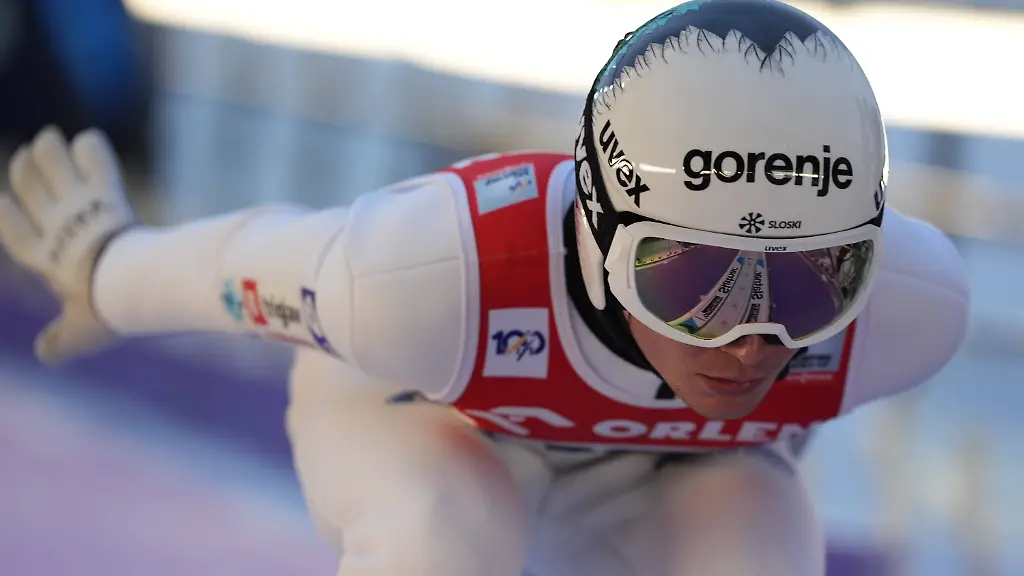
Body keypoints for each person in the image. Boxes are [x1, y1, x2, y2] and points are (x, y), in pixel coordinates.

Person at [0, 0, 970, 574]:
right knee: (441, 533)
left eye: (809, 286)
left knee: (757, 542)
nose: (751, 342)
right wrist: (107, 268)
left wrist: (108, 268)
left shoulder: (910, 307)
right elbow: (251, 265)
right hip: (423, 419)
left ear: (865, 255)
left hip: (673, 476)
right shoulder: (425, 277)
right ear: (598, 232)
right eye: (694, 281)